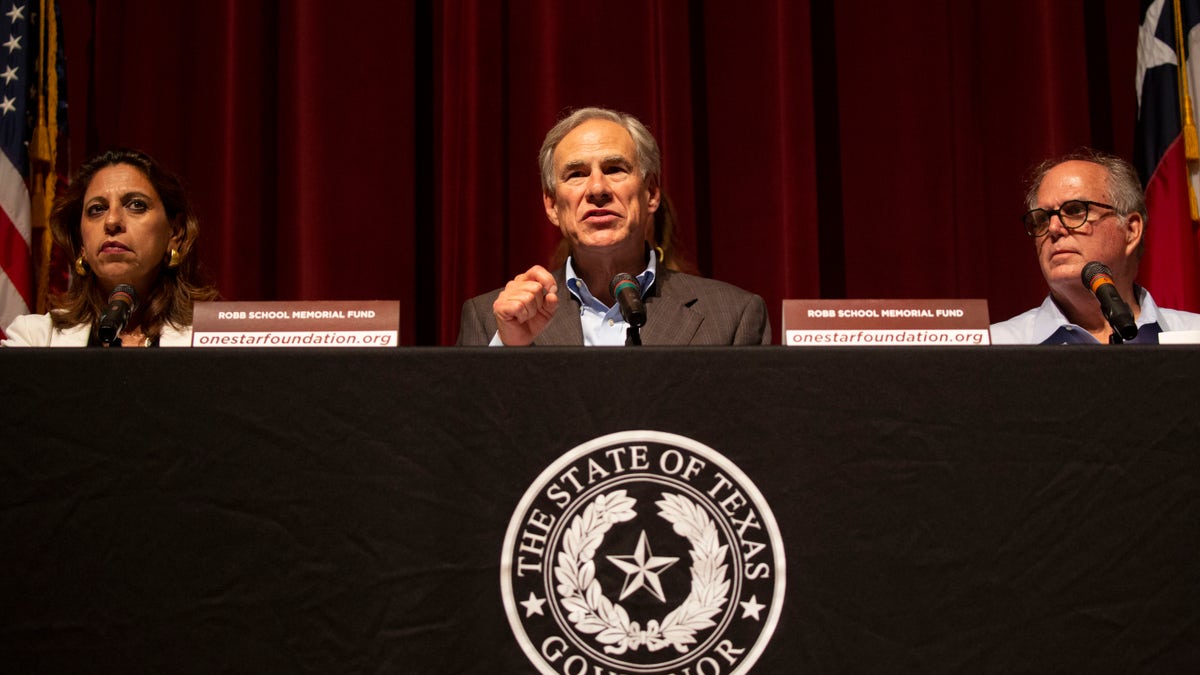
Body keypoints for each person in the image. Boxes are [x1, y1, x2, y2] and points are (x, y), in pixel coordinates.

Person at [457, 107, 770, 346]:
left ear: (651, 193)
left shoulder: (733, 317)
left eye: (615, 169)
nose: (597, 189)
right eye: (576, 174)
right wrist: (507, 350)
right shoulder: (491, 320)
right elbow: (465, 428)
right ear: (552, 205)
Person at [1, 148, 218, 347]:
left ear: (175, 232)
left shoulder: (212, 340)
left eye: (136, 205)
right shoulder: (35, 340)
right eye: (97, 209)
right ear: (81, 243)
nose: (111, 221)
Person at [990, 148, 1200, 344]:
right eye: (1042, 219)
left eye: (1074, 211)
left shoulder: (1194, 336)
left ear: (1131, 230)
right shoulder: (994, 346)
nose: (1053, 228)